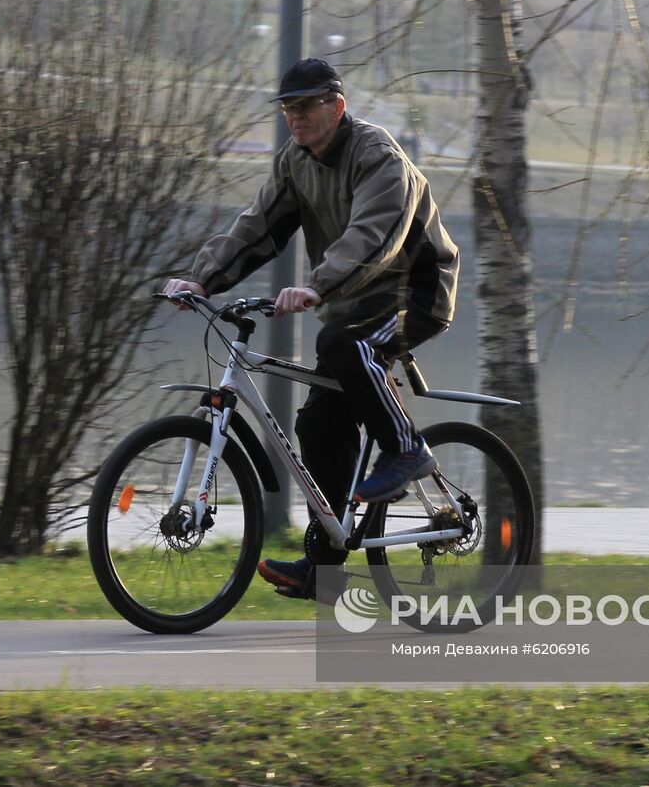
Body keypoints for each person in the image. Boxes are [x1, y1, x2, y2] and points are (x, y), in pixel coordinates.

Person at [162, 58, 459, 600]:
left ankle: (407, 448)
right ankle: (325, 567)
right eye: (287, 108)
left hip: (412, 289)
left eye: (306, 106)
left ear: (337, 106)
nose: (295, 117)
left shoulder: (378, 156)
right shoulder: (295, 162)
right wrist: (203, 280)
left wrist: (318, 284)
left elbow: (376, 235)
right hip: (351, 298)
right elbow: (258, 227)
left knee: (341, 344)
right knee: (320, 423)